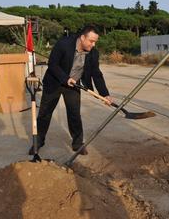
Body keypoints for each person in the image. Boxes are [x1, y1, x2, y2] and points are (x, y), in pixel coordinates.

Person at [29, 25, 112, 155]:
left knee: (74, 114)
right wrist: (64, 78)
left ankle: (78, 143)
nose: (94, 44)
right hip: (54, 82)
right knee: (45, 113)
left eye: (95, 41)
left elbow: (96, 73)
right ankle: (38, 141)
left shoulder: (93, 53)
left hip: (73, 85)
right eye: (91, 41)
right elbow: (53, 64)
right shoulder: (64, 44)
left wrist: (105, 94)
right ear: (82, 37)